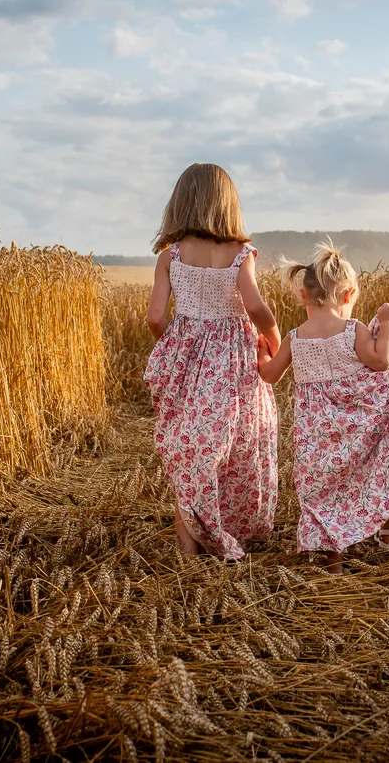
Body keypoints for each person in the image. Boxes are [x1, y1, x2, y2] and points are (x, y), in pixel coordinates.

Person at [257, 243, 389, 574]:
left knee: (321, 489)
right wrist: (387, 323)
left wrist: (261, 353)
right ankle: (388, 531)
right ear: (347, 295)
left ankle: (333, 564)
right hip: (359, 425)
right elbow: (382, 361)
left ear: (303, 296)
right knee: (378, 463)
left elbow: (269, 376)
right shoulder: (353, 329)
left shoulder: (295, 338)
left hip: (317, 435)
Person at [143, 163, 281, 559]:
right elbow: (255, 306)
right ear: (228, 206)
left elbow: (155, 317)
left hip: (187, 359)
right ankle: (233, 528)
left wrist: (175, 344)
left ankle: (188, 555)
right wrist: (272, 342)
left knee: (191, 449)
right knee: (236, 443)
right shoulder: (241, 256)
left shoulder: (170, 256)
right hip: (233, 362)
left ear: (180, 203)